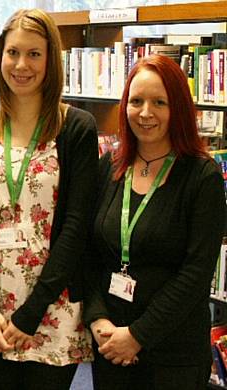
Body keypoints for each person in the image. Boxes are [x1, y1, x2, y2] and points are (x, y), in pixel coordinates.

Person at [0, 8, 97, 389]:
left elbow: (76, 226)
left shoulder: (76, 128)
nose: (21, 65)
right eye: (13, 53)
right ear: (0, 56)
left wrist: (31, 313)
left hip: (53, 307)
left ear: (51, 60)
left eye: (34, 54)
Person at [83, 54, 226, 389]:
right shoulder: (110, 167)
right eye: (136, 101)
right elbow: (88, 254)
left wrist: (137, 336)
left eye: (159, 102)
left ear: (177, 108)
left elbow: (196, 273)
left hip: (172, 352)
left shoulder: (201, 176)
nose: (145, 113)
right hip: (110, 343)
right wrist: (96, 317)